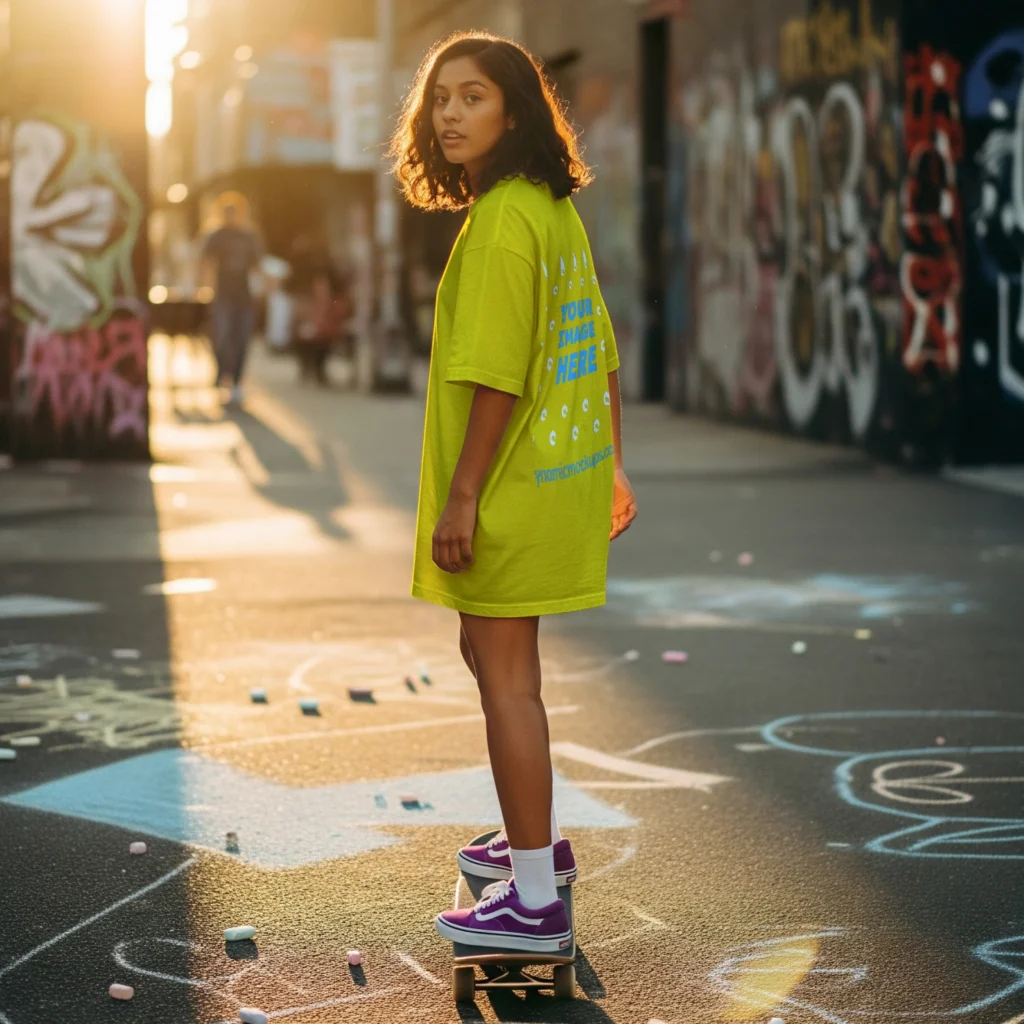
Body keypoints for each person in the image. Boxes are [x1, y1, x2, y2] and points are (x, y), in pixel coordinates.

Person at [389, 31, 638, 953]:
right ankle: (535, 848)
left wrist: (462, 502)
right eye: (440, 98)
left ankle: (534, 897)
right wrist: (614, 462)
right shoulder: (546, 207)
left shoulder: (500, 224)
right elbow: (599, 343)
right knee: (495, 659)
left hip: (511, 483)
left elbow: (496, 376)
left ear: (515, 110)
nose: (450, 114)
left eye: (473, 98)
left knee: (507, 684)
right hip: (557, 477)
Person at [200, 197, 264, 405]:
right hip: (223, 295)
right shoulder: (216, 236)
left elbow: (257, 266)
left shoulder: (248, 237)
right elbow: (206, 263)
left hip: (244, 296)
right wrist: (206, 289)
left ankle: (236, 381)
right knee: (223, 336)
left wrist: (262, 288)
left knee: (242, 338)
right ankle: (222, 375)